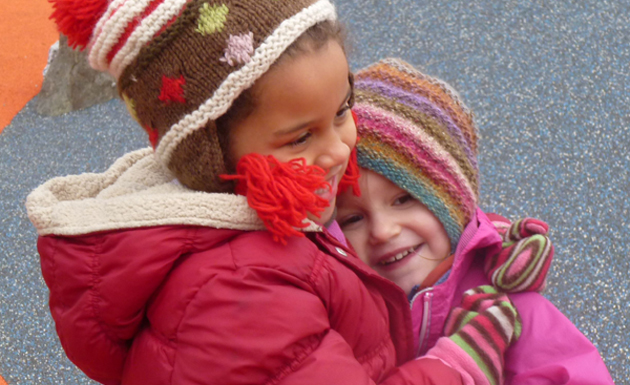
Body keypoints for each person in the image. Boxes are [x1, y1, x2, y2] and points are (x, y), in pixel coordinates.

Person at [25, 1, 502, 384]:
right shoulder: (239, 293)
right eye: (300, 137)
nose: (338, 150)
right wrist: (459, 365)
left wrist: (481, 243)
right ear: (209, 154)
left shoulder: (260, 219)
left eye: (342, 110)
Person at [336, 58, 615, 384]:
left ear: (451, 206)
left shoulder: (503, 305)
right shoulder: (337, 307)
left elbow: (575, 373)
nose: (383, 231)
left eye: (404, 199)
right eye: (352, 219)